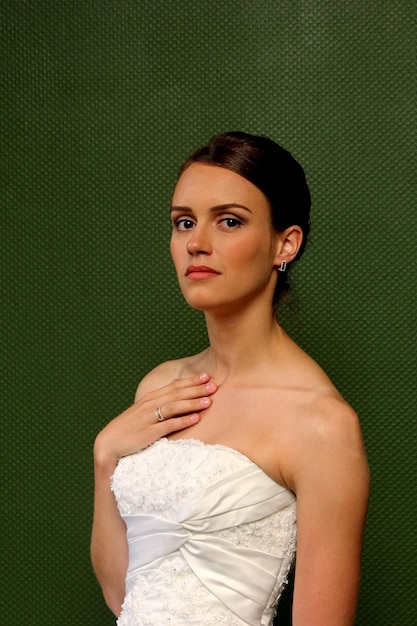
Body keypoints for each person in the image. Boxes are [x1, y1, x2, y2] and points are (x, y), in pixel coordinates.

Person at [91, 131, 370, 626]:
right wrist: (106, 456)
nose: (197, 244)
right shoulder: (161, 387)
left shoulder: (320, 423)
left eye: (229, 221)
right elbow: (122, 596)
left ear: (285, 243)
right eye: (183, 223)